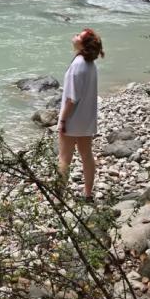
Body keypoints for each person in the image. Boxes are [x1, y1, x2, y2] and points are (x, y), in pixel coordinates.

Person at [57, 28, 104, 200]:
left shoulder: (77, 65)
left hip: (72, 120)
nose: (75, 36)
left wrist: (62, 120)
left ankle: (58, 197)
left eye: (79, 36)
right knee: (87, 155)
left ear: (82, 45)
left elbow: (71, 98)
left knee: (64, 158)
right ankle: (88, 193)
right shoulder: (91, 63)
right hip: (87, 119)